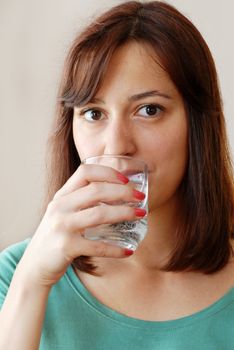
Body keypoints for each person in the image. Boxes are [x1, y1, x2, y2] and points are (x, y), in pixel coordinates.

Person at [0, 1, 233, 349]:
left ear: (197, 124)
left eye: (149, 110)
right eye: (94, 113)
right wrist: (32, 281)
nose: (116, 146)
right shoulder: (16, 274)